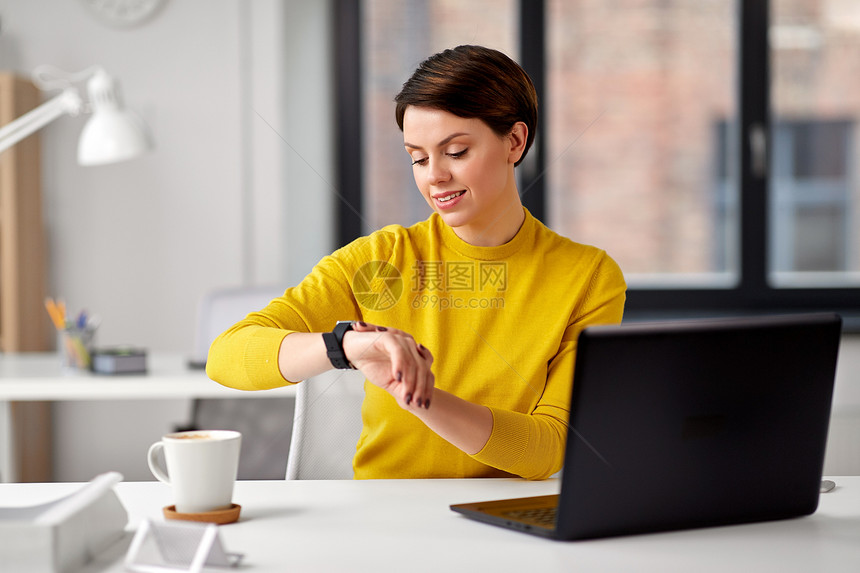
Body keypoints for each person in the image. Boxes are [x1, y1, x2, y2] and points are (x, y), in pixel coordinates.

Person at [207, 45, 626, 480]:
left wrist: (416, 394)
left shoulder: (589, 277)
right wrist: (346, 345)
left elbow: (545, 450)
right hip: (384, 518)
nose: (434, 176)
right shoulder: (377, 261)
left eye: (457, 152)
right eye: (418, 158)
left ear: (515, 141)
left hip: (507, 519)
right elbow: (227, 355)